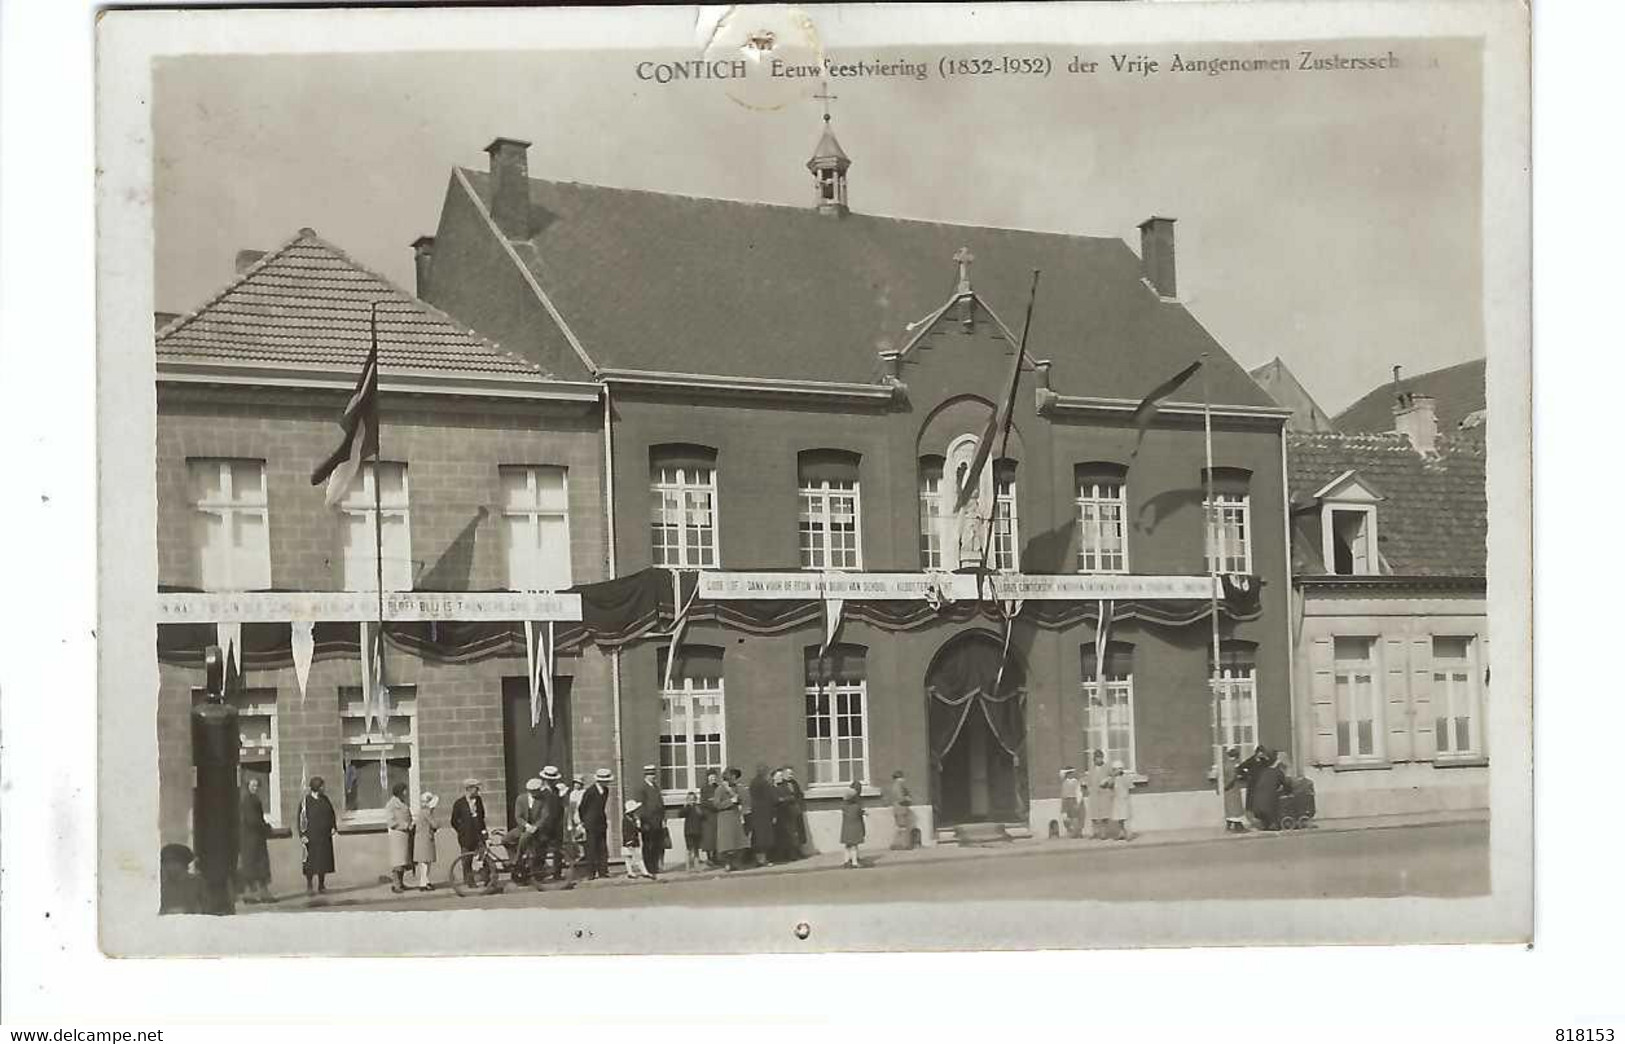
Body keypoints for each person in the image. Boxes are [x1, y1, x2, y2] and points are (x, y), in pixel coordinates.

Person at [296, 776, 337, 895]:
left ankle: (321, 885)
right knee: (310, 861)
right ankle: (309, 884)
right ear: (316, 787)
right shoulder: (306, 802)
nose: (324, 788)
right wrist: (302, 835)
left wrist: (333, 826)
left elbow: (331, 813)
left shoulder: (325, 799)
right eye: (322, 786)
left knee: (323, 861)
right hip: (311, 837)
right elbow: (300, 819)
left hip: (324, 836)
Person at [236, 778, 274, 903]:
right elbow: (253, 820)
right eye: (252, 785)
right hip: (252, 838)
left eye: (257, 785)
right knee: (256, 865)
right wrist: (266, 827)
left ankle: (255, 894)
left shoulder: (252, 799)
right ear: (248, 786)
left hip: (253, 837)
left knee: (253, 866)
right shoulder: (249, 801)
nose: (255, 787)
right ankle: (257, 895)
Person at [450, 779, 488, 885]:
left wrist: (484, 831)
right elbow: (453, 821)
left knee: (483, 856)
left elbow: (482, 816)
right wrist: (461, 830)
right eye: (476, 789)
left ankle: (486, 879)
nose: (478, 791)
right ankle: (469, 881)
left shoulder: (479, 800)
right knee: (466, 859)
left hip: (478, 835)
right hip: (466, 836)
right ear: (469, 789)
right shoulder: (459, 803)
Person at [534, 765, 567, 885]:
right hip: (545, 826)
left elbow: (560, 808)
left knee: (558, 851)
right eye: (549, 779)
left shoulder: (557, 791)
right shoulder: (541, 793)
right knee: (541, 850)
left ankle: (557, 873)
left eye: (553, 779)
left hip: (557, 825)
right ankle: (538, 875)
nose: (552, 781)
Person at [578, 768, 613, 879]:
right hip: (591, 823)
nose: (607, 783)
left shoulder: (606, 791)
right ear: (599, 781)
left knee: (602, 848)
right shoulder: (590, 791)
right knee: (591, 848)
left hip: (601, 822)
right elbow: (582, 807)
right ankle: (591, 873)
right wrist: (584, 821)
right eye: (605, 781)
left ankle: (603, 871)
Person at [711, 768, 748, 871]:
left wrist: (735, 795)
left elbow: (741, 799)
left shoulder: (736, 788)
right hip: (725, 818)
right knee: (727, 843)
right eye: (733, 776)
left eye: (736, 777)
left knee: (738, 842)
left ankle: (736, 862)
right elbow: (716, 805)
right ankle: (727, 863)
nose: (735, 779)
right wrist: (730, 801)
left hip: (735, 816)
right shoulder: (720, 789)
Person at [634, 765, 666, 877]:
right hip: (647, 822)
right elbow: (640, 806)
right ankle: (648, 867)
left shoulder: (656, 787)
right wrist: (644, 821)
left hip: (657, 821)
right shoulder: (642, 788)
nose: (652, 776)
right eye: (650, 774)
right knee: (648, 845)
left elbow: (661, 804)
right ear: (646, 775)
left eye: (653, 774)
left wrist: (663, 818)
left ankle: (655, 866)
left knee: (657, 844)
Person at [385, 781, 414, 893]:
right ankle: (396, 884)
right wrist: (406, 825)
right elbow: (391, 822)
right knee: (397, 861)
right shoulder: (391, 805)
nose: (406, 792)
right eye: (404, 790)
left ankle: (401, 883)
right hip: (397, 836)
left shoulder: (402, 803)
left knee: (404, 861)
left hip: (405, 835)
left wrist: (411, 824)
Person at [512, 777, 545, 876]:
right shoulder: (521, 799)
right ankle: (518, 861)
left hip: (537, 830)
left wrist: (536, 826)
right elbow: (518, 816)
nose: (538, 793)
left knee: (524, 838)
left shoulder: (543, 801)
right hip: (523, 827)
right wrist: (526, 825)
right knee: (506, 839)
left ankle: (517, 859)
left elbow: (544, 816)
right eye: (536, 791)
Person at [747, 765, 777, 866]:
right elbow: (771, 799)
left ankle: (758, 859)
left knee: (757, 836)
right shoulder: (765, 784)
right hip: (765, 813)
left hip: (755, 813)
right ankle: (762, 859)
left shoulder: (753, 783)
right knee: (764, 837)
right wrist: (773, 814)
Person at [771, 768, 800, 863]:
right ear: (773, 777)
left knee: (789, 835)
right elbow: (773, 800)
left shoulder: (784, 786)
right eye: (778, 776)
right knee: (778, 836)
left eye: (781, 776)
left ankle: (791, 855)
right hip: (776, 814)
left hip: (786, 813)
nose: (781, 778)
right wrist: (782, 799)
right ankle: (778, 856)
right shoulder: (771, 788)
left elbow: (791, 797)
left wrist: (782, 799)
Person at [413, 792, 440, 890]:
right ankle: (423, 883)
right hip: (425, 839)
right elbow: (435, 824)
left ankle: (425, 881)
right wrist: (437, 824)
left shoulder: (422, 811)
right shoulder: (426, 812)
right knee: (425, 862)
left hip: (422, 839)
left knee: (425, 862)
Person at [621, 799, 653, 880]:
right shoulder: (627, 820)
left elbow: (637, 829)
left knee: (632, 857)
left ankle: (633, 872)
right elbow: (626, 832)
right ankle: (641, 872)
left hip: (632, 840)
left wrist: (642, 828)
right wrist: (629, 841)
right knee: (634, 857)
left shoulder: (632, 818)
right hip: (630, 840)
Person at [783, 766, 811, 857]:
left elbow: (799, 794)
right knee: (790, 833)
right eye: (789, 774)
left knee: (798, 832)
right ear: (784, 774)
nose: (790, 776)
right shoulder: (781, 784)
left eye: (791, 774)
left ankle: (799, 851)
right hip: (787, 812)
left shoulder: (794, 783)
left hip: (796, 810)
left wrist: (800, 804)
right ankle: (791, 854)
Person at [839, 779, 867, 868]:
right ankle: (855, 862)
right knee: (854, 845)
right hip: (855, 827)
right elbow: (859, 813)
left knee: (847, 845)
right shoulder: (857, 806)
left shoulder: (844, 806)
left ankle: (846, 861)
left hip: (846, 828)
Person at [1085, 750, 1112, 840]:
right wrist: (1089, 788)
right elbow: (1088, 781)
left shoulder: (1107, 767)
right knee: (1094, 815)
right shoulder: (1091, 769)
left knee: (1104, 814)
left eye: (1100, 758)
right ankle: (1095, 832)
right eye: (1097, 758)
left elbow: (1112, 778)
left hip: (1104, 793)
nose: (1099, 760)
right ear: (1094, 759)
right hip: (1094, 794)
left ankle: (1103, 833)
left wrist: (1107, 781)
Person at [888, 770, 916, 850]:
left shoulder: (895, 786)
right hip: (901, 808)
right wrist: (908, 799)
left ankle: (896, 844)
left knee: (899, 827)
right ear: (899, 778)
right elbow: (900, 799)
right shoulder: (899, 786)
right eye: (902, 777)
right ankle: (903, 845)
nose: (903, 779)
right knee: (903, 827)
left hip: (897, 808)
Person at [698, 768, 721, 866]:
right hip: (708, 816)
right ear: (707, 778)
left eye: (714, 777)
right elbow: (703, 802)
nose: (713, 779)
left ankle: (716, 857)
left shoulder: (718, 788)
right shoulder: (704, 788)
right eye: (711, 777)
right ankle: (709, 858)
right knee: (708, 837)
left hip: (717, 815)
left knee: (716, 837)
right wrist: (713, 803)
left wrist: (716, 802)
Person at [1221, 748, 1247, 832]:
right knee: (1235, 807)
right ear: (1236, 756)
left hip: (1228, 789)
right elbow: (1233, 777)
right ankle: (1238, 826)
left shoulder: (1226, 764)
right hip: (1233, 788)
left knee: (1229, 807)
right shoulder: (1234, 765)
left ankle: (1229, 825)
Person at [680, 791, 705, 872]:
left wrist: (698, 808)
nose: (692, 801)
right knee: (689, 849)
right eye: (690, 799)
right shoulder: (686, 807)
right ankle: (688, 867)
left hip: (697, 830)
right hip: (689, 831)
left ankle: (696, 866)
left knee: (696, 848)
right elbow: (681, 814)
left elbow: (703, 816)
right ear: (687, 800)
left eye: (693, 799)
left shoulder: (698, 807)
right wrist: (686, 806)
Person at [1108, 761, 1134, 841]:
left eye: (1119, 769)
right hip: (1117, 799)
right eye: (1115, 769)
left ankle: (1128, 834)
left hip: (1124, 799)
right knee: (1119, 818)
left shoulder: (1125, 777)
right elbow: (1110, 785)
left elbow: (1130, 786)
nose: (1117, 771)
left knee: (1125, 817)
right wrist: (1113, 777)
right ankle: (1121, 833)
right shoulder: (1113, 778)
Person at [1059, 767, 1083, 839]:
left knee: (1075, 817)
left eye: (1071, 773)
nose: (1070, 775)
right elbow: (1061, 774)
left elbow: (1079, 792)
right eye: (1068, 774)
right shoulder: (1064, 781)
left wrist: (1078, 802)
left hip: (1073, 799)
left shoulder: (1075, 782)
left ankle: (1076, 832)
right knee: (1065, 818)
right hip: (1065, 800)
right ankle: (1070, 830)